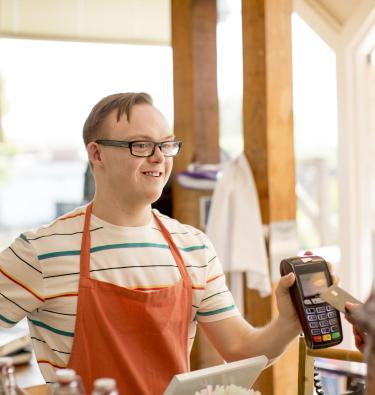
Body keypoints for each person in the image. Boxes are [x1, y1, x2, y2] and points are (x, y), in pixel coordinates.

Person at [0, 92, 316, 394]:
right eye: (141, 145)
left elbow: (241, 350)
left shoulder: (195, 248)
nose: (159, 157)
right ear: (97, 154)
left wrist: (289, 321)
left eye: (166, 145)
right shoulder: (41, 251)